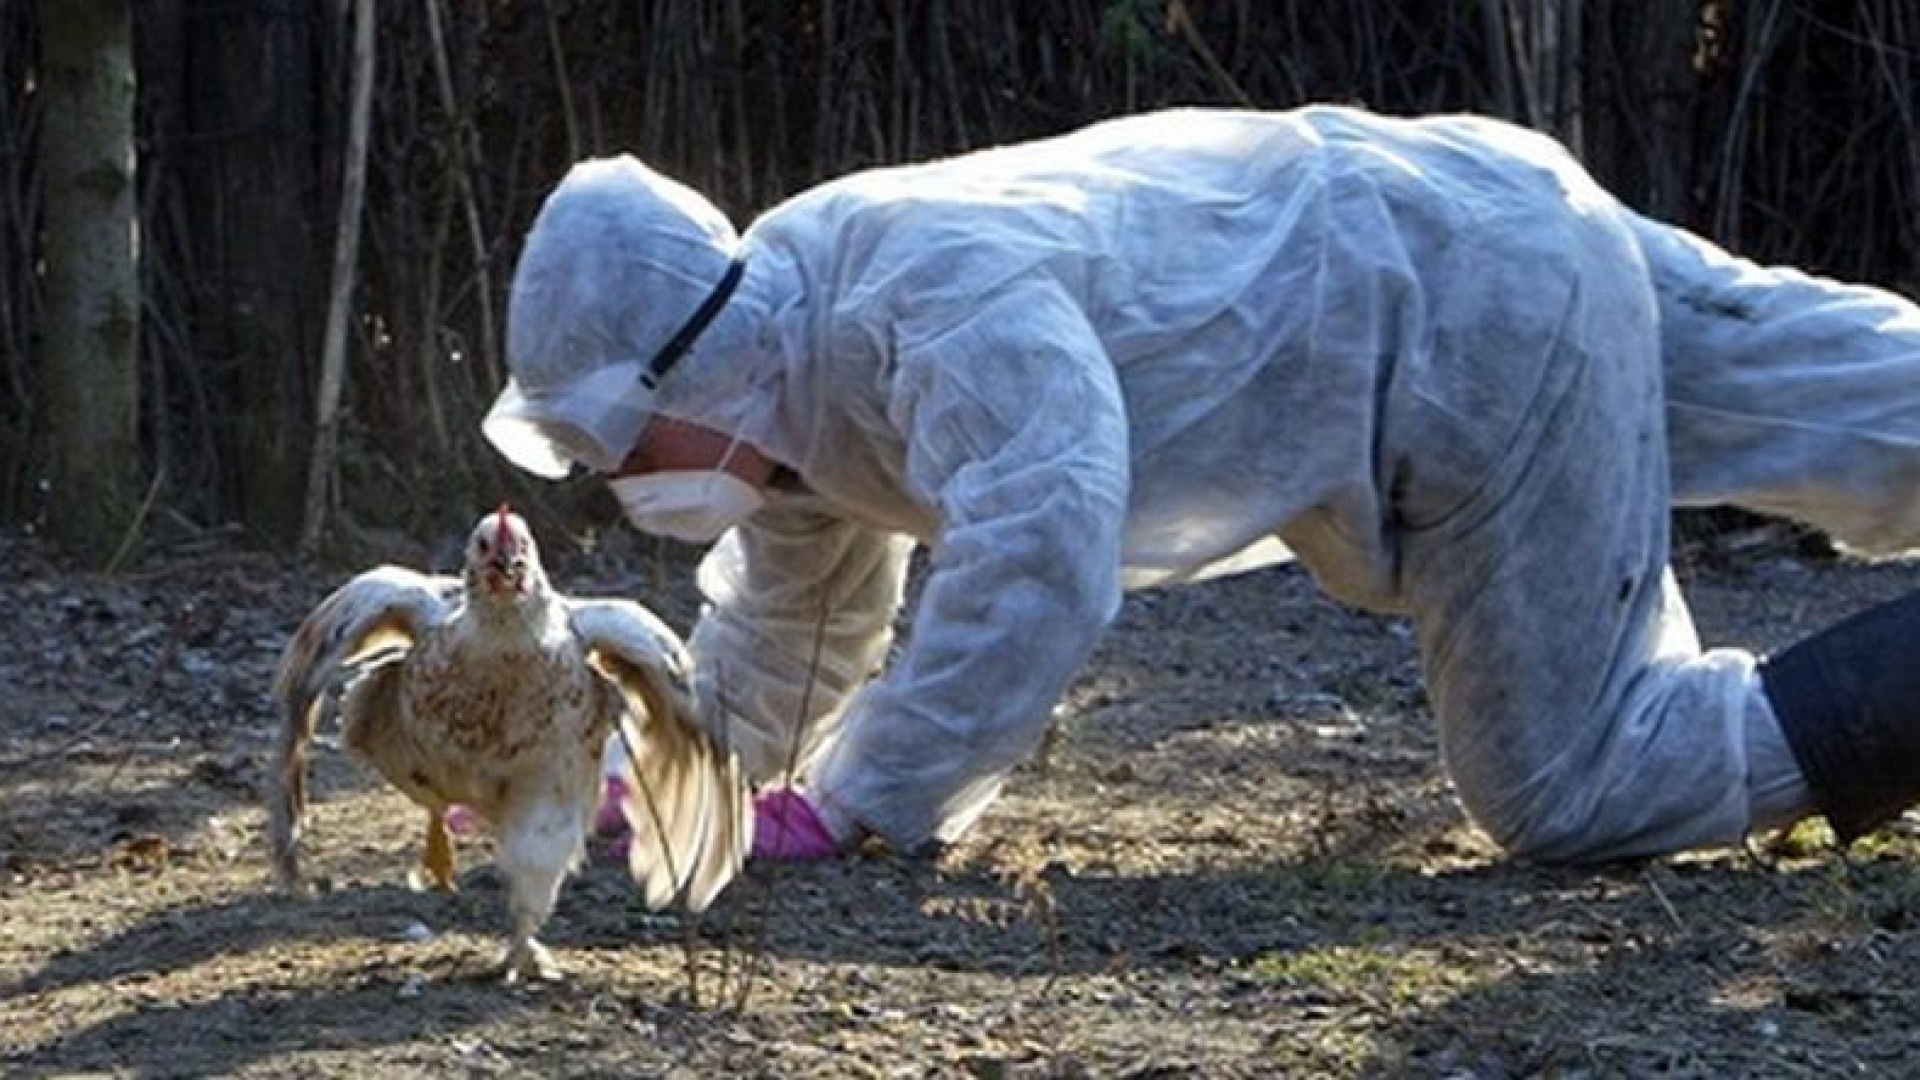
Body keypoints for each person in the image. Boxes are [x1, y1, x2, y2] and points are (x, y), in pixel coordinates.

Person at [481, 105, 1920, 867]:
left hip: (1461, 330)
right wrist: (655, 782)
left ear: (691, 368)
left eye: (613, 436)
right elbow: (788, 643)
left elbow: (1041, 541)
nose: (610, 478)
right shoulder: (788, 396)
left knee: (1571, 778)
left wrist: (864, 804)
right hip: (1474, 221)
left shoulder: (912, 298)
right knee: (1841, 393)